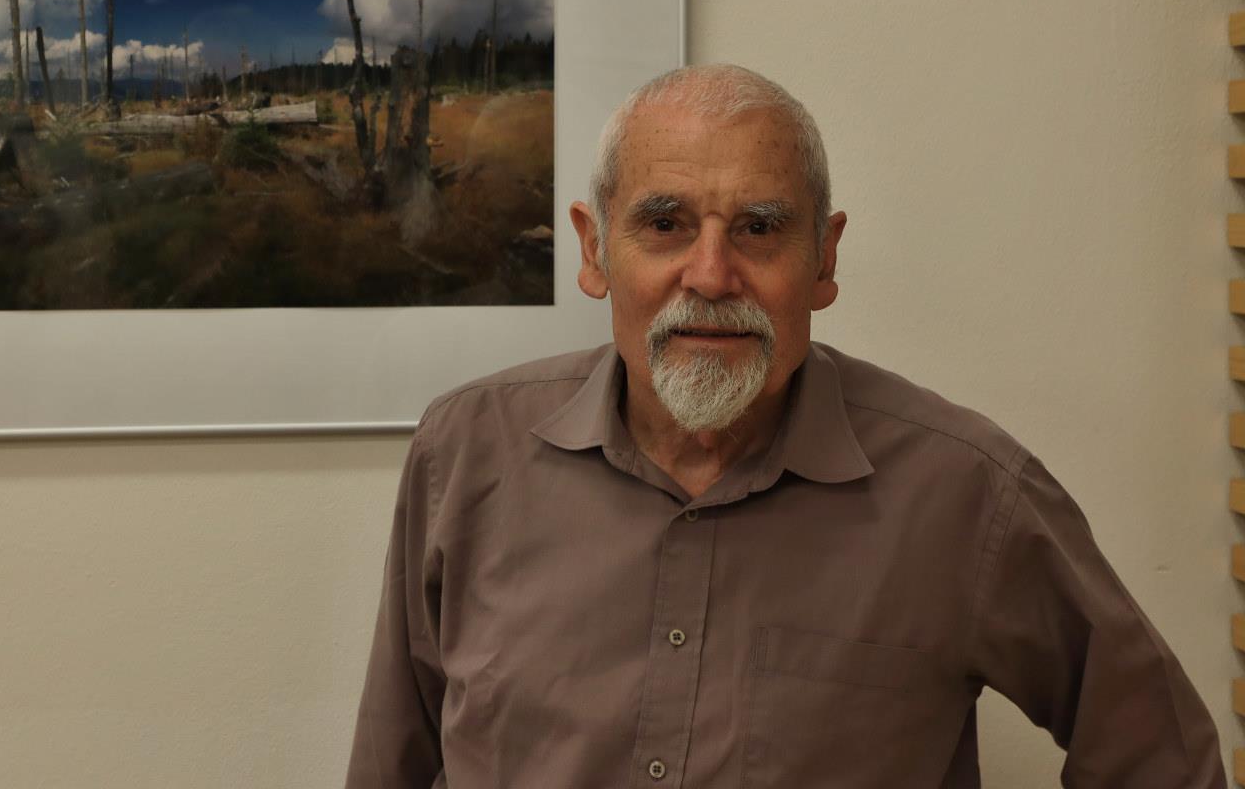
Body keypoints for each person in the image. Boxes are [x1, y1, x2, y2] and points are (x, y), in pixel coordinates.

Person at [343, 64, 1224, 788]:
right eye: (664, 224)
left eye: (759, 228)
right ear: (594, 248)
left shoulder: (965, 493)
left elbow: (1161, 760)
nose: (711, 274)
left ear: (824, 258)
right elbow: (392, 765)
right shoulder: (466, 453)